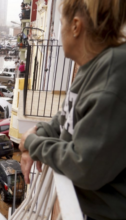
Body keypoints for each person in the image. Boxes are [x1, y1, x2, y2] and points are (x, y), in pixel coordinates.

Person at [18, 0, 126, 220]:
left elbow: (85, 166)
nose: (61, 31)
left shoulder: (112, 72)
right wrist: (40, 132)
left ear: (76, 26)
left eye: (61, 23)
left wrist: (32, 143)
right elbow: (65, 117)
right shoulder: (92, 67)